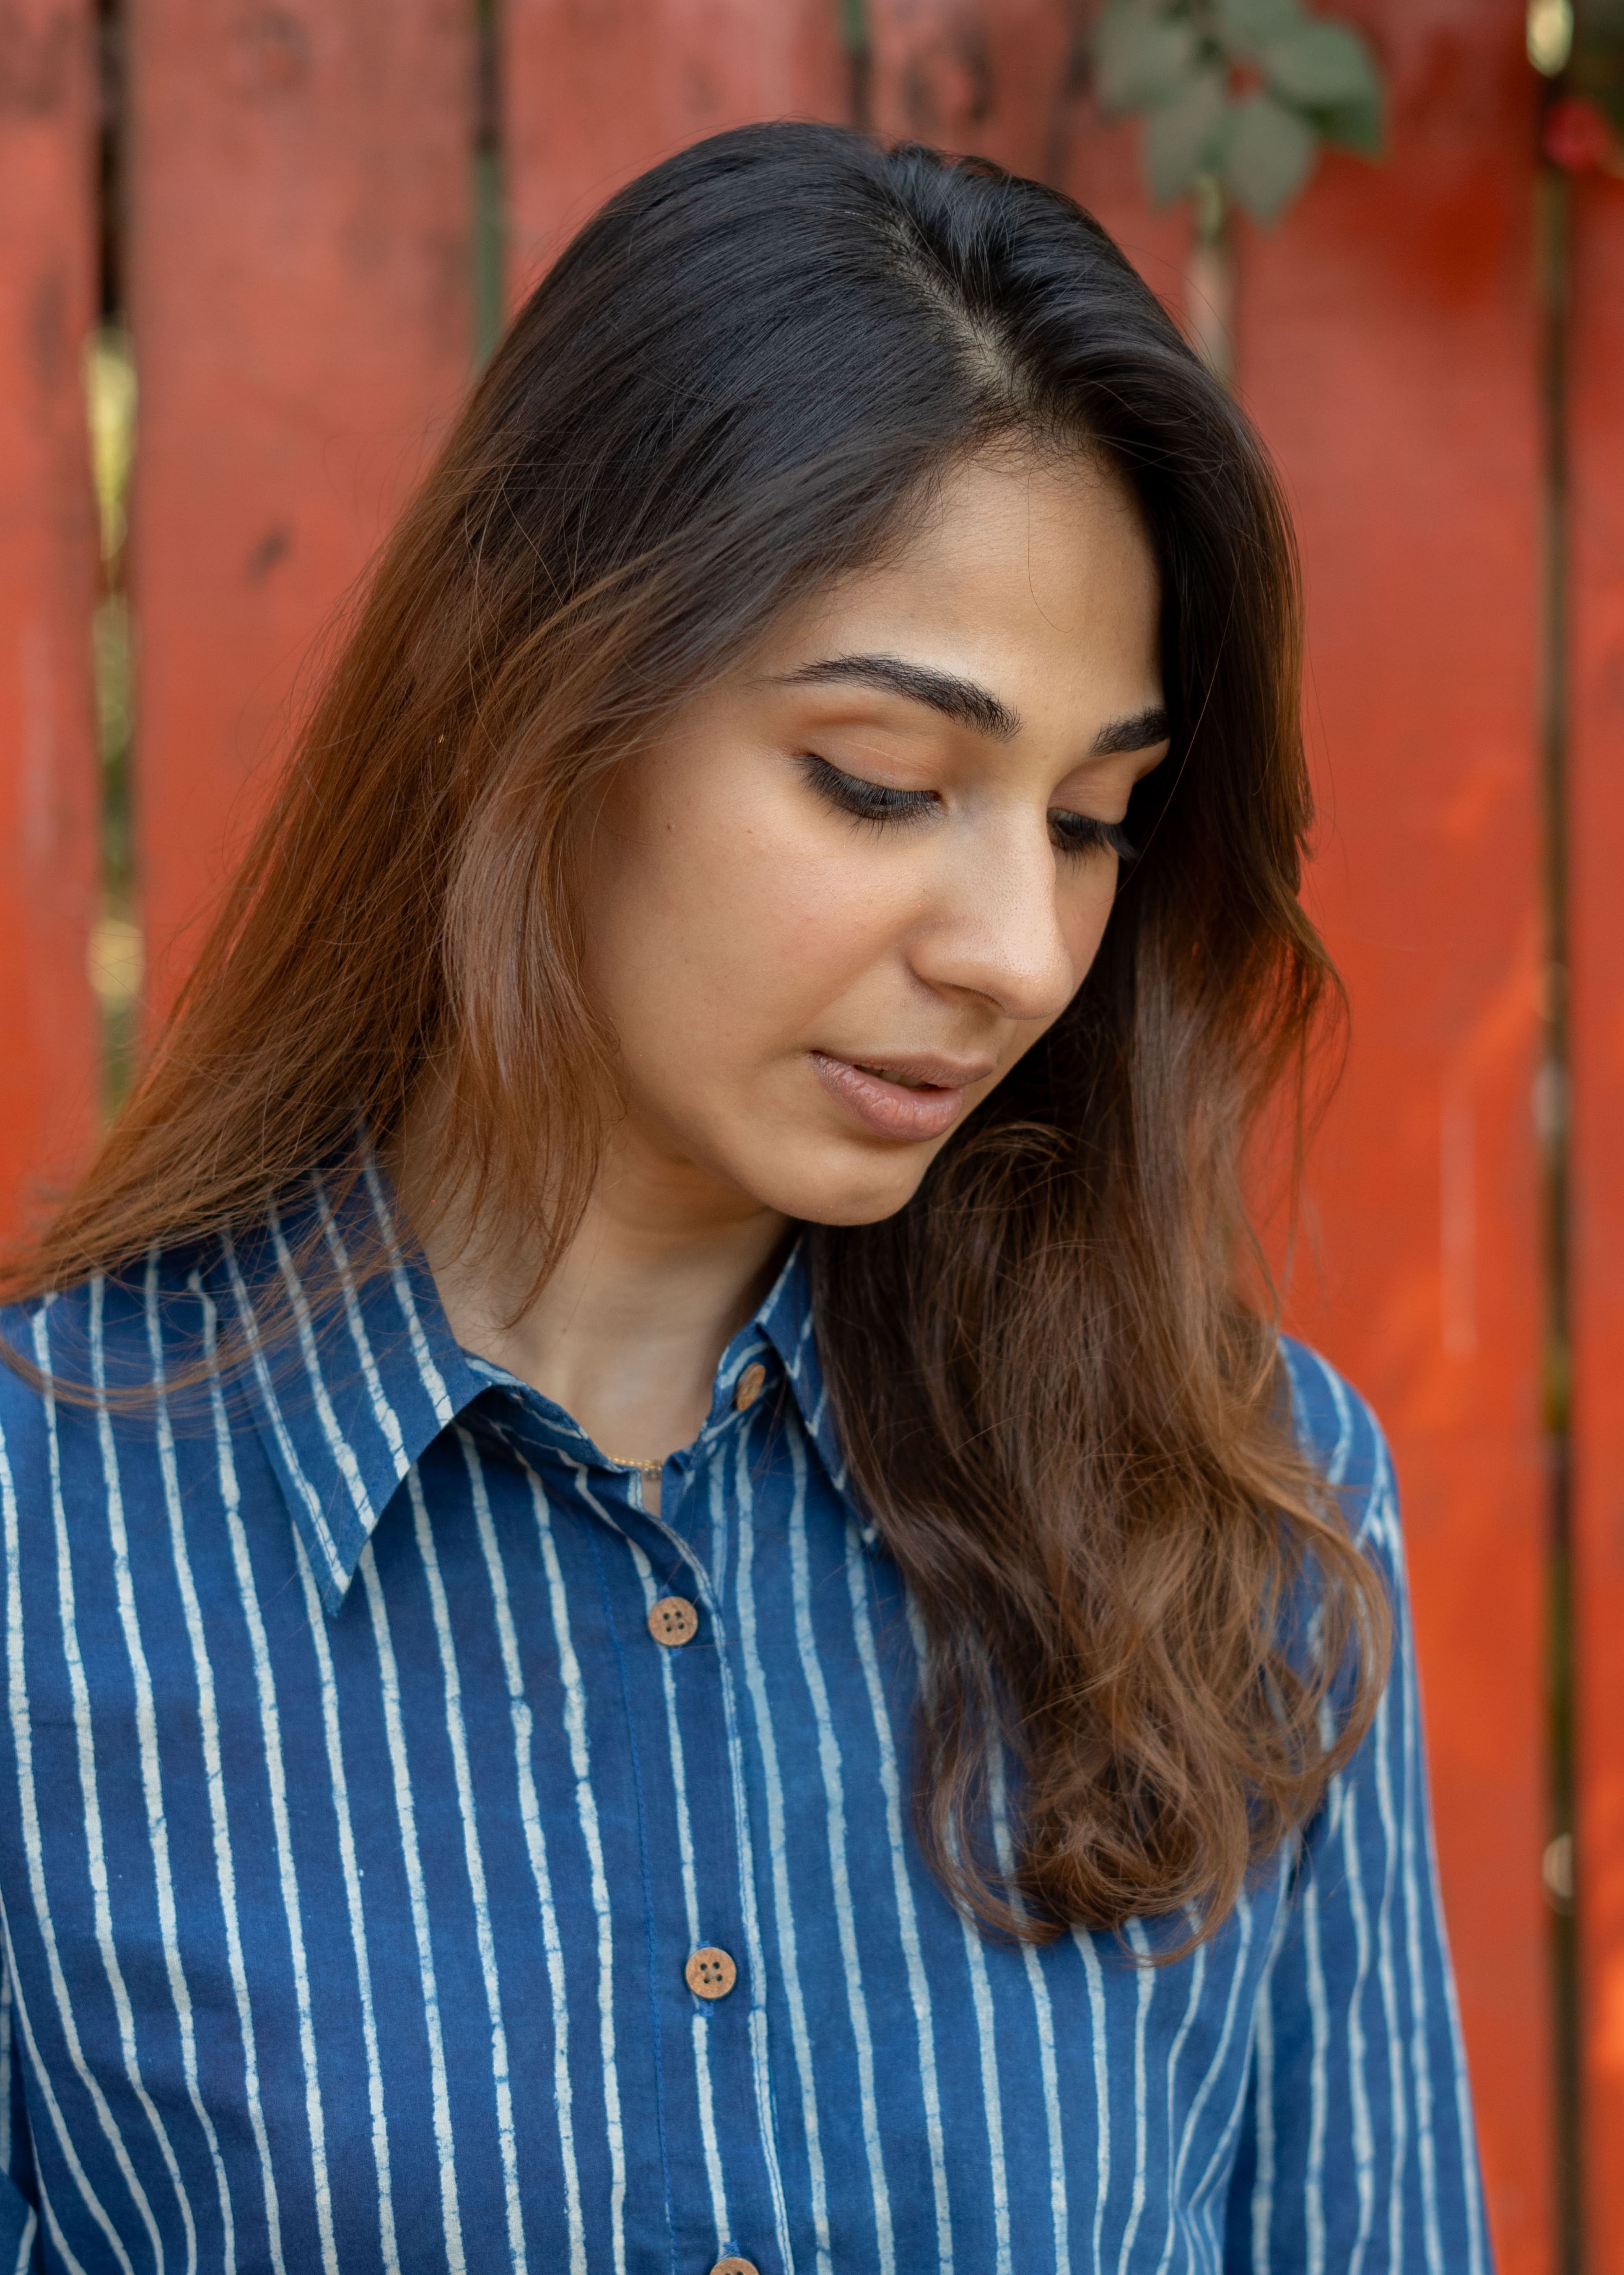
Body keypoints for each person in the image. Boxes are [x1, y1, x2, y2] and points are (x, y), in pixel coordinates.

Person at [0, 123, 1487, 2275]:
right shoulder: (52, 1538)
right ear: (542, 701)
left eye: (1092, 820)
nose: (1018, 947)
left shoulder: (1240, 1515)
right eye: (886, 781)